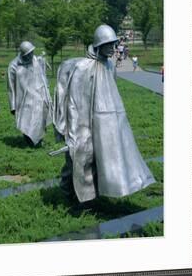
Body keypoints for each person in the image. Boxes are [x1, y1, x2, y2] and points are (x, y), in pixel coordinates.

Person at [54, 24, 155, 203]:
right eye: (108, 44)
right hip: (85, 122)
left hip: (107, 123)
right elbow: (74, 103)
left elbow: (111, 92)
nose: (113, 48)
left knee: (101, 160)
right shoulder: (83, 68)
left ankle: (93, 196)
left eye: (114, 44)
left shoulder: (109, 65)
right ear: (99, 45)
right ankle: (70, 194)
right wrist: (72, 132)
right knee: (79, 158)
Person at [7, 41, 52, 146]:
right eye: (28, 54)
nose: (31, 56)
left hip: (39, 96)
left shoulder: (35, 61)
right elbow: (10, 87)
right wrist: (12, 105)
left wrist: (47, 93)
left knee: (40, 118)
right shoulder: (13, 66)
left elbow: (42, 77)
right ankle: (29, 140)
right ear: (23, 54)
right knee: (26, 121)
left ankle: (38, 139)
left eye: (32, 52)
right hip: (23, 99)